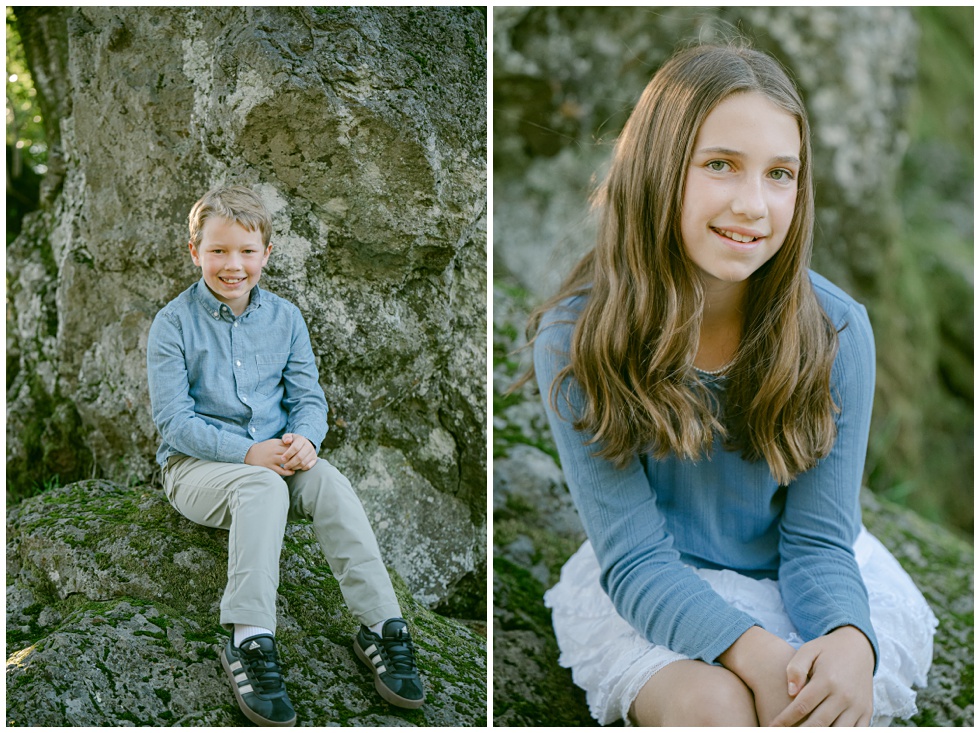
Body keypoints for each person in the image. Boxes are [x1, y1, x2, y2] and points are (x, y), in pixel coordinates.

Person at [525, 44, 937, 726]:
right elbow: (634, 558)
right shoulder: (576, 341)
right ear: (658, 168)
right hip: (660, 586)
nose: (753, 205)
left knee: (820, 701)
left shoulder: (836, 331)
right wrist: (754, 654)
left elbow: (818, 542)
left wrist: (845, 638)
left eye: (781, 174)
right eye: (720, 165)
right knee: (713, 712)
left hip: (799, 579)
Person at [146, 185, 425, 726]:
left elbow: (308, 399)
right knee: (263, 485)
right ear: (195, 251)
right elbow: (175, 423)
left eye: (247, 252)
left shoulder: (286, 318)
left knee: (329, 481)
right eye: (219, 251)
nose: (234, 265)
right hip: (197, 469)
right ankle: (248, 639)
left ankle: (381, 627)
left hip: (277, 458)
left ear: (267, 254)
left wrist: (306, 439)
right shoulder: (173, 324)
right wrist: (249, 452)